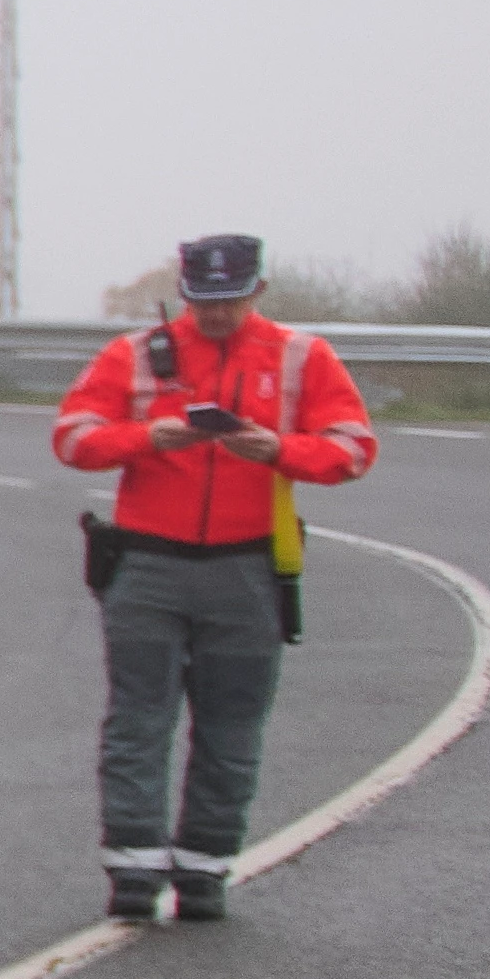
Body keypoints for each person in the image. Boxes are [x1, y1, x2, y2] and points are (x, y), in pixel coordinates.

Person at [50, 231, 377, 928]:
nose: (217, 315)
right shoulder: (136, 355)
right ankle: (133, 868)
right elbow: (73, 437)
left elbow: (353, 449)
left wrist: (279, 450)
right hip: (146, 565)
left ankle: (205, 868)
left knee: (232, 724)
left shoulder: (300, 357)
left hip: (248, 568)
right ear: (185, 291)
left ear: (257, 290)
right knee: (139, 717)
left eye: (230, 301)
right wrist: (147, 438)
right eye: (204, 302)